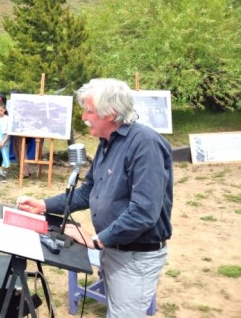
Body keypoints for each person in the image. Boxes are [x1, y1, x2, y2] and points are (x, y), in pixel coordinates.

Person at [17, 78, 173, 318]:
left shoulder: (145, 144)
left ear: (110, 113)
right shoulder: (107, 142)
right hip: (114, 249)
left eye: (88, 111)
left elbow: (144, 212)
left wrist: (97, 240)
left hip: (135, 257)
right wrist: (44, 205)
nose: (83, 117)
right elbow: (88, 191)